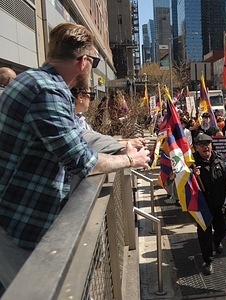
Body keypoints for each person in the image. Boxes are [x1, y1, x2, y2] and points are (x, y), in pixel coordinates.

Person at [0, 23, 150, 289]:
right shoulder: (48, 91)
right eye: (94, 60)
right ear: (83, 62)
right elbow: (82, 161)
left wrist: (120, 144)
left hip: (16, 216)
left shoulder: (35, 80)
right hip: (16, 224)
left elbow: (78, 138)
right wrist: (130, 160)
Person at [193, 133, 226, 275]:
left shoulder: (221, 159)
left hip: (221, 204)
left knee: (224, 229)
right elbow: (183, 184)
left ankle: (217, 239)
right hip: (203, 206)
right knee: (204, 235)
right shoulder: (191, 162)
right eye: (201, 144)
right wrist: (192, 175)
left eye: (208, 143)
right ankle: (208, 261)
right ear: (196, 147)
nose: (205, 146)